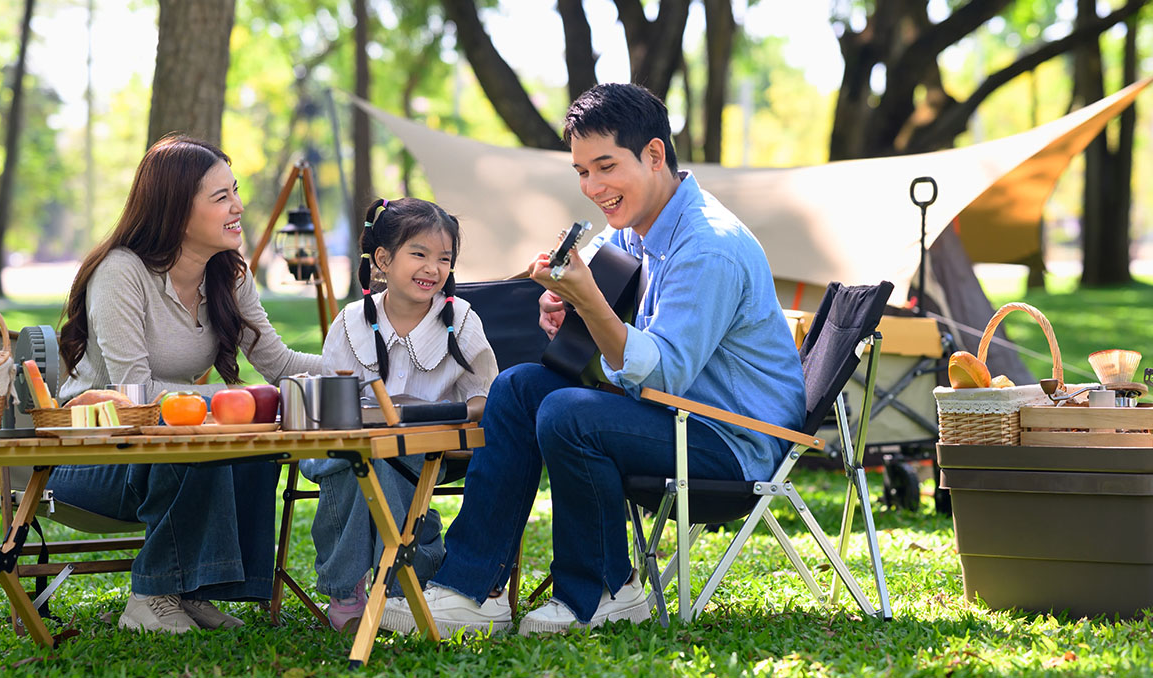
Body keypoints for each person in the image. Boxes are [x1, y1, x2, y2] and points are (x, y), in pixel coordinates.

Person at [379, 83, 806, 636]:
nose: (593, 188)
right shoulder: (634, 230)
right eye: (582, 171)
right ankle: (470, 590)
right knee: (517, 388)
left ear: (654, 154)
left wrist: (590, 301)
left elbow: (664, 370)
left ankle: (605, 592)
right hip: (669, 416)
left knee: (568, 413)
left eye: (606, 167)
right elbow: (595, 298)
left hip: (729, 442)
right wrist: (561, 302)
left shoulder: (709, 246)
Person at [48, 134, 322, 633]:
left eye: (235, 192)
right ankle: (150, 596)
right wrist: (231, 400)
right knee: (199, 438)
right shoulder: (121, 273)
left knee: (249, 442)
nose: (238, 206)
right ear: (176, 210)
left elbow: (280, 362)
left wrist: (362, 367)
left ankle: (195, 590)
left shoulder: (229, 276)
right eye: (221, 197)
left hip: (163, 450)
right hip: (90, 455)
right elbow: (133, 391)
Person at [300, 197, 498, 632]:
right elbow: (331, 403)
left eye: (444, 258)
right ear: (383, 260)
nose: (433, 268)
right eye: (420, 254)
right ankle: (401, 573)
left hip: (425, 449)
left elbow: (486, 397)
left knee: (383, 458)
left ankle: (361, 583)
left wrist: (438, 413)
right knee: (356, 457)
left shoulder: (461, 320)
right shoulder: (351, 322)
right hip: (351, 444)